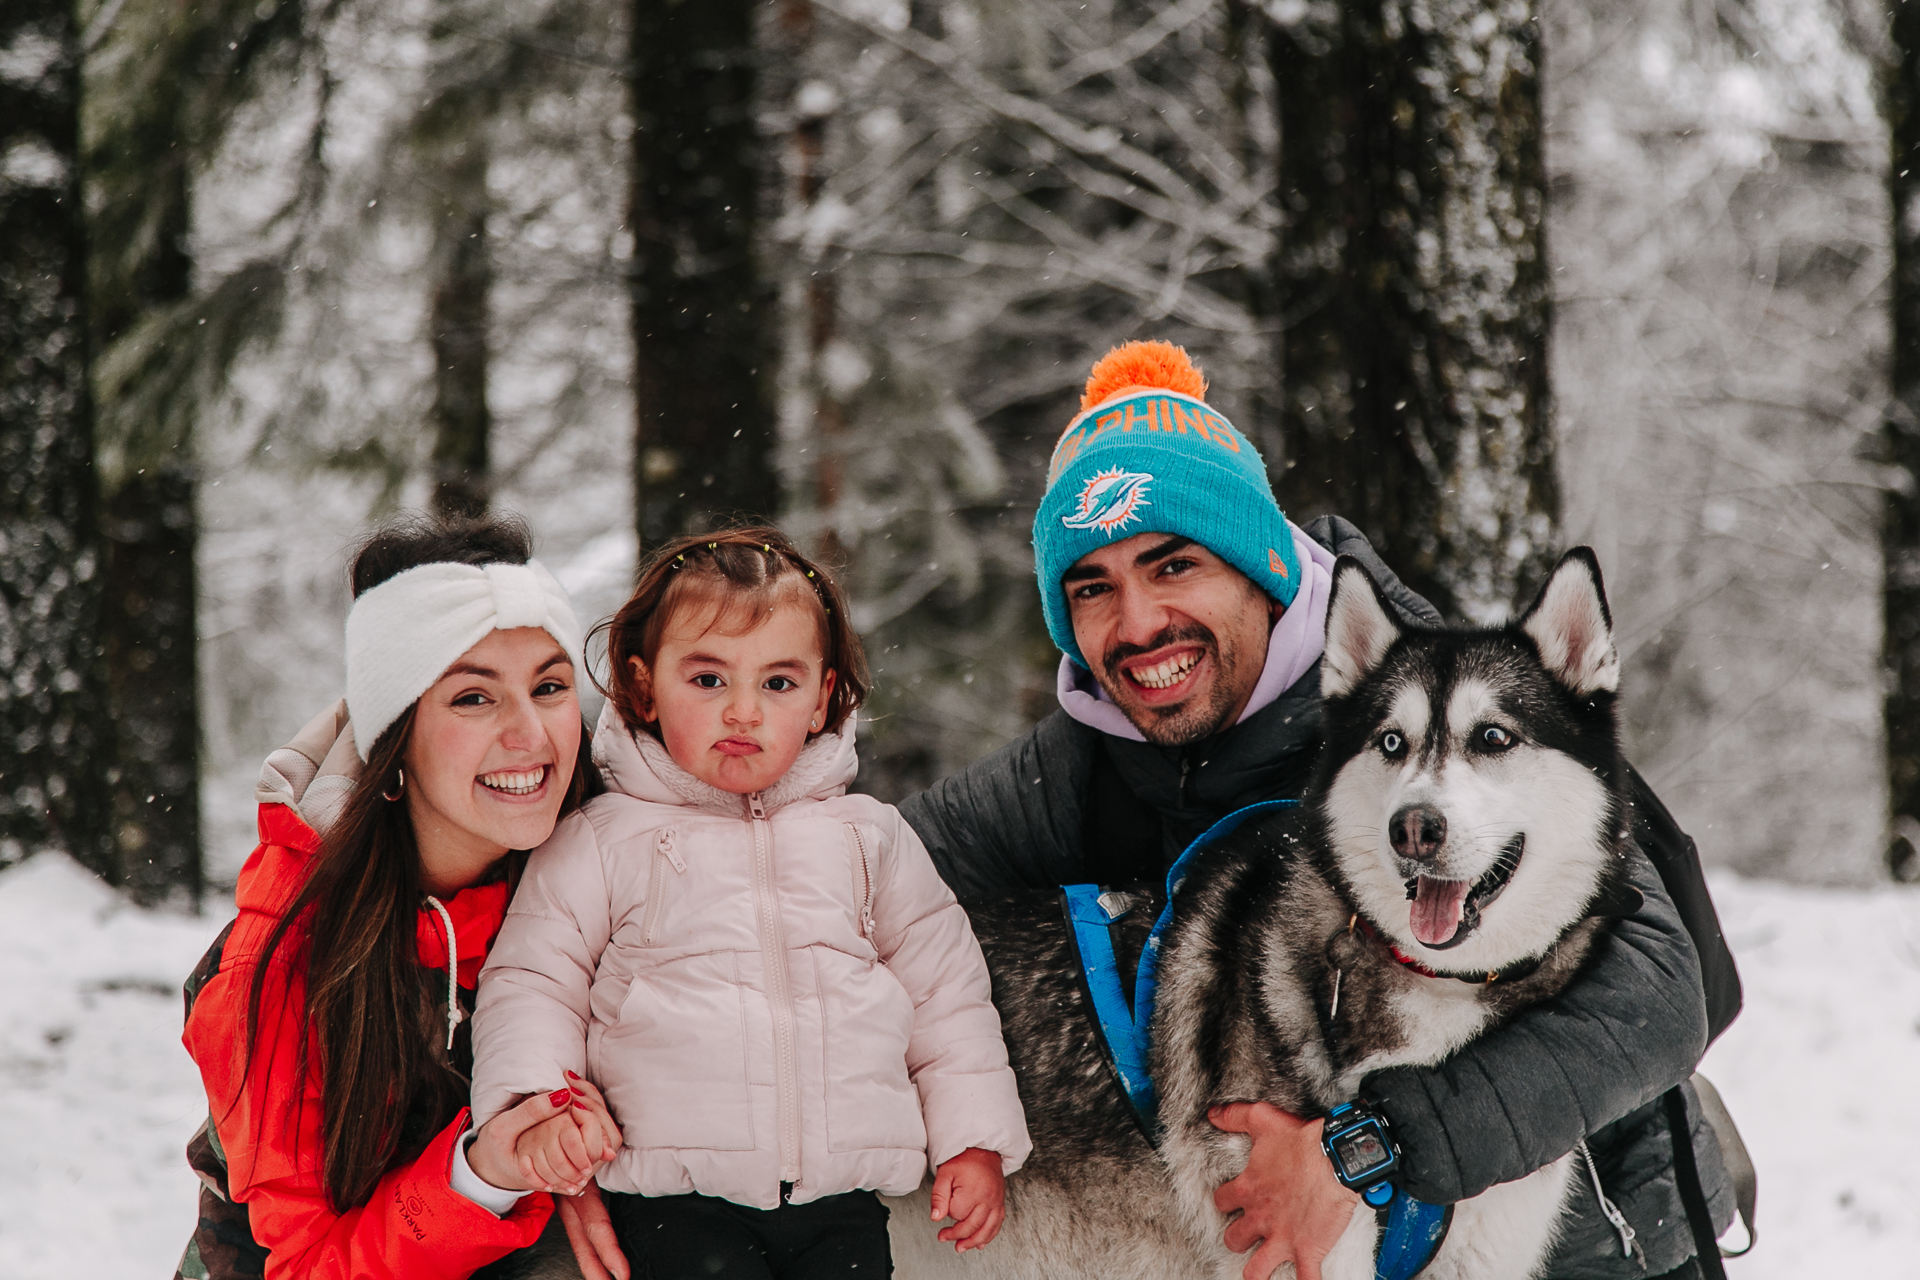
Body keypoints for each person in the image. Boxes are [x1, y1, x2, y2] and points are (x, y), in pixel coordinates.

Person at [900, 342, 1738, 1280]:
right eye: (1092, 587)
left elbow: (1672, 990)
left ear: (1259, 566)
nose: (1137, 626)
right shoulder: (1074, 767)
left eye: (1173, 565)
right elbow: (855, 876)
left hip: (1595, 1220)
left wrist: (1361, 1151)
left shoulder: (1437, 698)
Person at [469, 527, 1032, 1280]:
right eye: (708, 680)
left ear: (822, 695)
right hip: (677, 1204)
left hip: (842, 1202)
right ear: (643, 686)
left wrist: (972, 1138)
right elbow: (534, 981)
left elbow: (946, 994)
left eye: (778, 683)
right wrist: (539, 1106)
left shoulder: (870, 837)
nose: (743, 711)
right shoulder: (600, 840)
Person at [178, 514, 630, 1280]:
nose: (532, 734)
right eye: (473, 699)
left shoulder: (607, 874)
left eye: (549, 687)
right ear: (396, 738)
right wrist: (482, 1176)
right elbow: (309, 1268)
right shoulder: (283, 962)